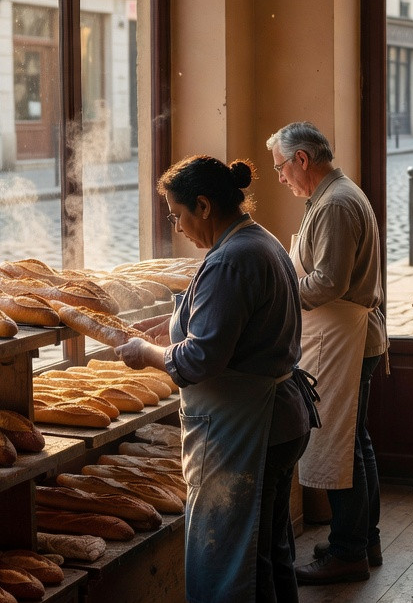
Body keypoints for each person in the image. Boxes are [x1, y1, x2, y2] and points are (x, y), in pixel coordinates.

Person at [116, 155, 315, 603]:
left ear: (203, 206)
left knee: (238, 562)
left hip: (251, 429)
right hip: (279, 421)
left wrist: (146, 352)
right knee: (268, 550)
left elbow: (199, 360)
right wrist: (171, 325)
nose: (176, 225)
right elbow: (228, 324)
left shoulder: (230, 259)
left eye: (176, 213)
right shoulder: (257, 240)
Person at [264, 122, 388, 585]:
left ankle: (349, 551)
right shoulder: (333, 194)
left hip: (346, 339)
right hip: (349, 337)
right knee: (355, 442)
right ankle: (362, 539)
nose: (280, 178)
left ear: (302, 159)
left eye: (281, 167)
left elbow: (329, 281)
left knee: (342, 447)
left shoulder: (335, 202)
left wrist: (280, 293)